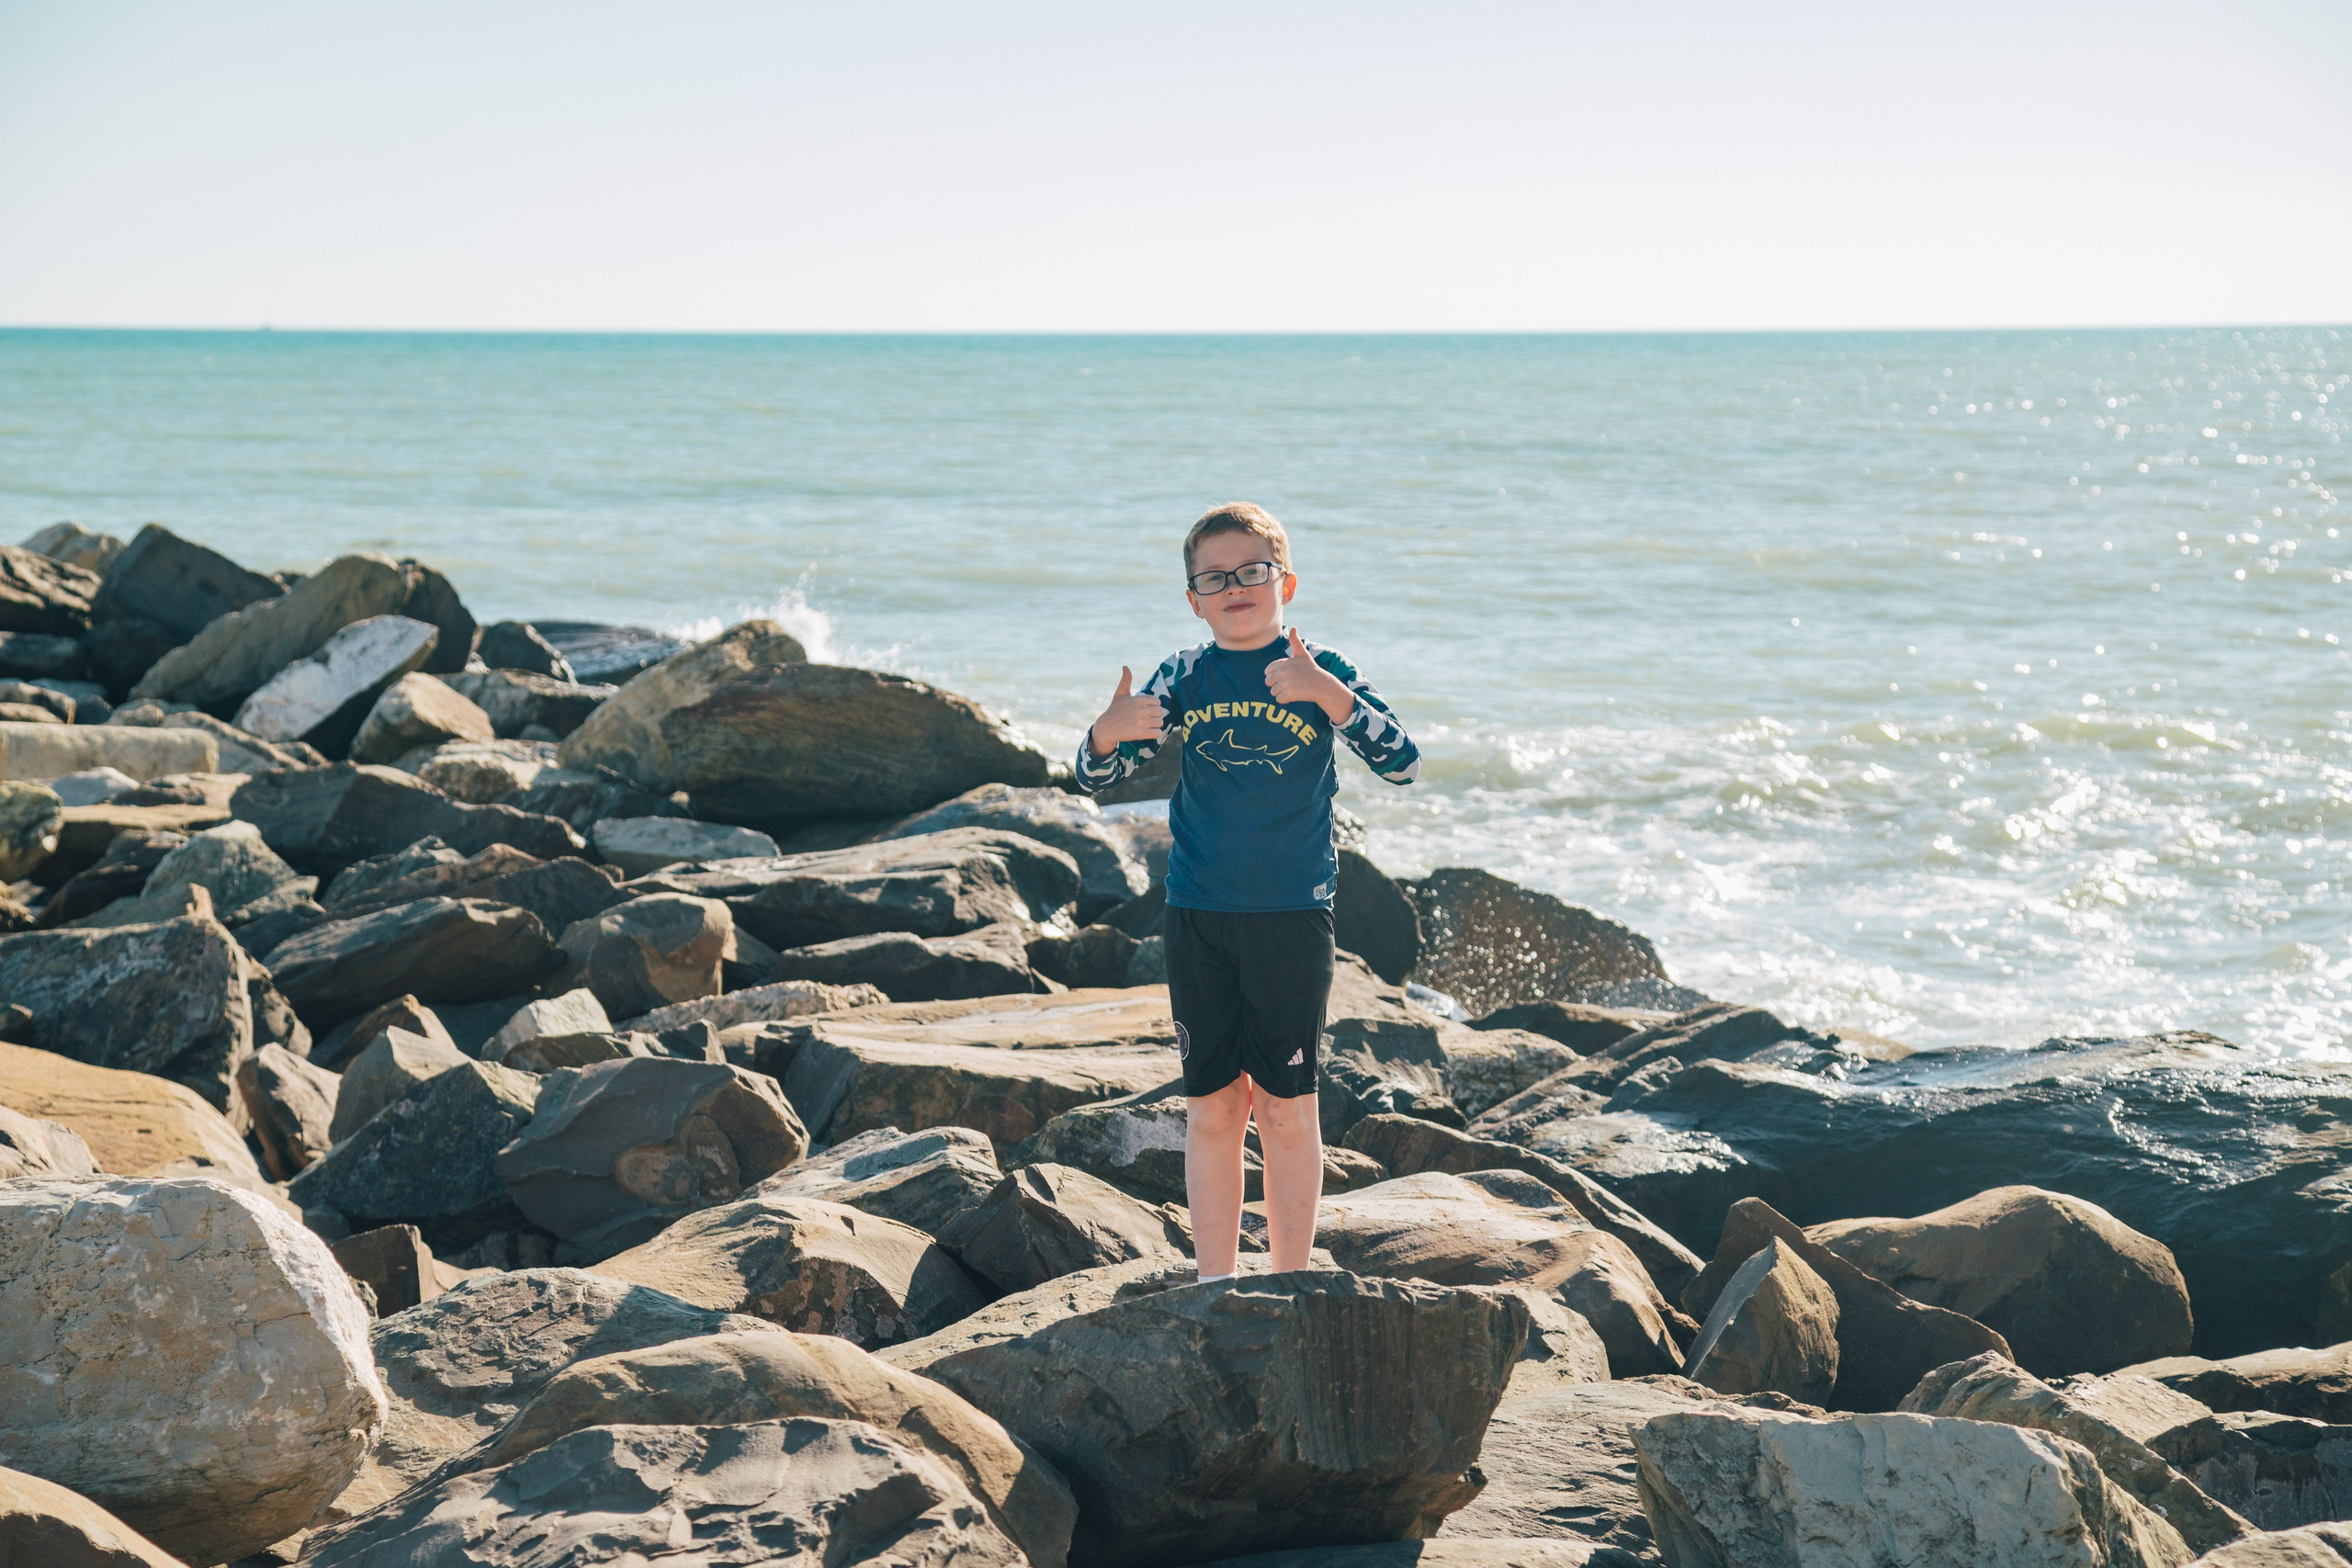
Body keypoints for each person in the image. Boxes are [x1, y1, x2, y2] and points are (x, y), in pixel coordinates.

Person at [1075, 501, 1420, 1280]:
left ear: (1285, 583)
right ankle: (1216, 1282)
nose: (1236, 586)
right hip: (1199, 914)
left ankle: (1291, 1278)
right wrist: (1105, 732)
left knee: (1288, 1108)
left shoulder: (1322, 667)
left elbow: (1403, 761)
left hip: (1293, 917)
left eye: (1253, 571)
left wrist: (1329, 697)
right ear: (1194, 598)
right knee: (1213, 1109)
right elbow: (1095, 776)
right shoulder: (1183, 676)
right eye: (1215, 577)